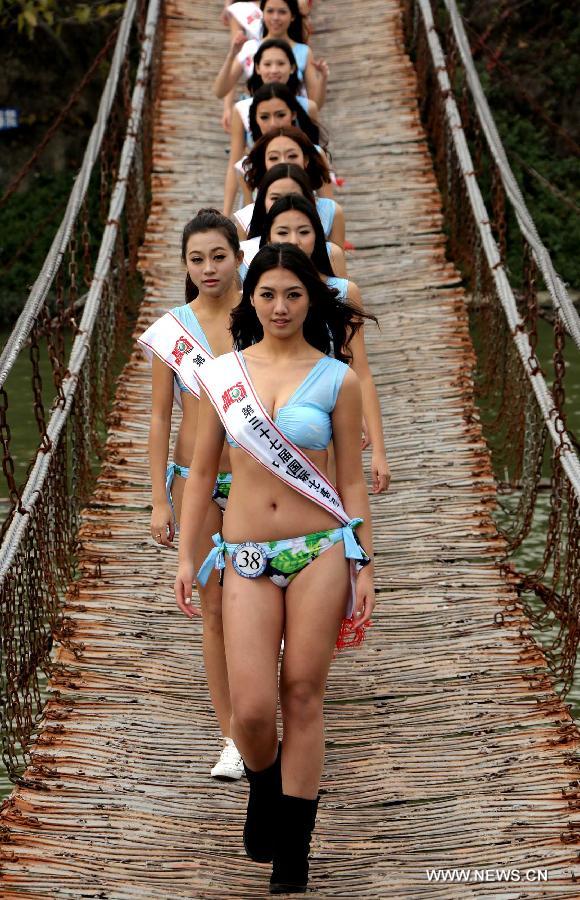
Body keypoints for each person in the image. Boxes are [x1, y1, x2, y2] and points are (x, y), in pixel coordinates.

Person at [175, 243, 376, 893]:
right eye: (267, 294)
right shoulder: (221, 376)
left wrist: (363, 565)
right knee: (256, 710)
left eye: (293, 294)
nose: (281, 306)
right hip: (245, 555)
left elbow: (351, 483)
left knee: (302, 694)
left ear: (311, 299)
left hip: (318, 548)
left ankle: (295, 852)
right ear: (249, 300)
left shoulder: (336, 379)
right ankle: (265, 785)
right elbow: (203, 472)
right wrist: (185, 555)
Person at [137, 210, 245, 781]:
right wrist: (159, 497)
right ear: (184, 263)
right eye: (196, 259)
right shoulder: (172, 331)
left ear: (238, 256)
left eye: (218, 256)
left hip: (257, 477)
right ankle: (230, 735)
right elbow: (158, 418)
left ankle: (259, 711)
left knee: (258, 604)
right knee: (214, 610)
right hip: (192, 479)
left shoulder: (262, 314)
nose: (208, 268)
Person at [261, 194, 391, 492]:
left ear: (318, 236)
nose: (294, 241)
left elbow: (362, 369)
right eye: (283, 232)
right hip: (274, 426)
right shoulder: (260, 296)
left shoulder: (343, 292)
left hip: (330, 420)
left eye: (304, 232)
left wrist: (380, 450)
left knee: (338, 503)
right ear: (268, 237)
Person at [224, 79, 321, 216]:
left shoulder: (314, 154)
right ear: (255, 118)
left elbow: (329, 209)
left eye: (280, 115)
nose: (273, 124)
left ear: (293, 114)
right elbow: (249, 219)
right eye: (264, 117)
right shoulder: (246, 167)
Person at [233, 161, 345, 246]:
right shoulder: (247, 248)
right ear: (262, 201)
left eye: (293, 196)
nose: (284, 203)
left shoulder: (332, 253)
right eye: (275, 198)